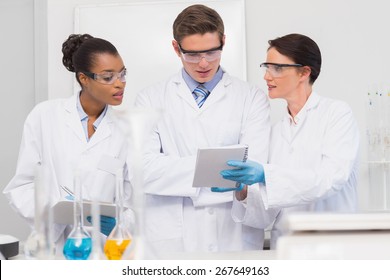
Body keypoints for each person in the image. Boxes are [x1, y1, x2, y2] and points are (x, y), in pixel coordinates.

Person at [134, 4, 276, 257]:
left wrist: (178, 170)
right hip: (171, 241)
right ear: (176, 48)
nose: (203, 63)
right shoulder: (150, 99)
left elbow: (253, 168)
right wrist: (214, 170)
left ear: (223, 41)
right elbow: (144, 170)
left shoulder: (251, 98)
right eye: (192, 54)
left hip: (232, 235)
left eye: (212, 52)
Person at [214, 33, 360, 248]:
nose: (267, 76)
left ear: (304, 72)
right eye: (266, 67)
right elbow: (266, 216)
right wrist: (243, 190)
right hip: (286, 248)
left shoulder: (337, 114)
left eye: (277, 68)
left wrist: (267, 175)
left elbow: (331, 179)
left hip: (332, 248)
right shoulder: (274, 133)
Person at [3, 34, 133, 255]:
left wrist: (121, 223)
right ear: (84, 78)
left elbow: (134, 198)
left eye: (122, 73)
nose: (119, 83)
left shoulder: (127, 129)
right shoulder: (44, 116)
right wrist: (56, 210)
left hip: (105, 251)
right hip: (53, 248)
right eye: (108, 77)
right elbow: (22, 186)